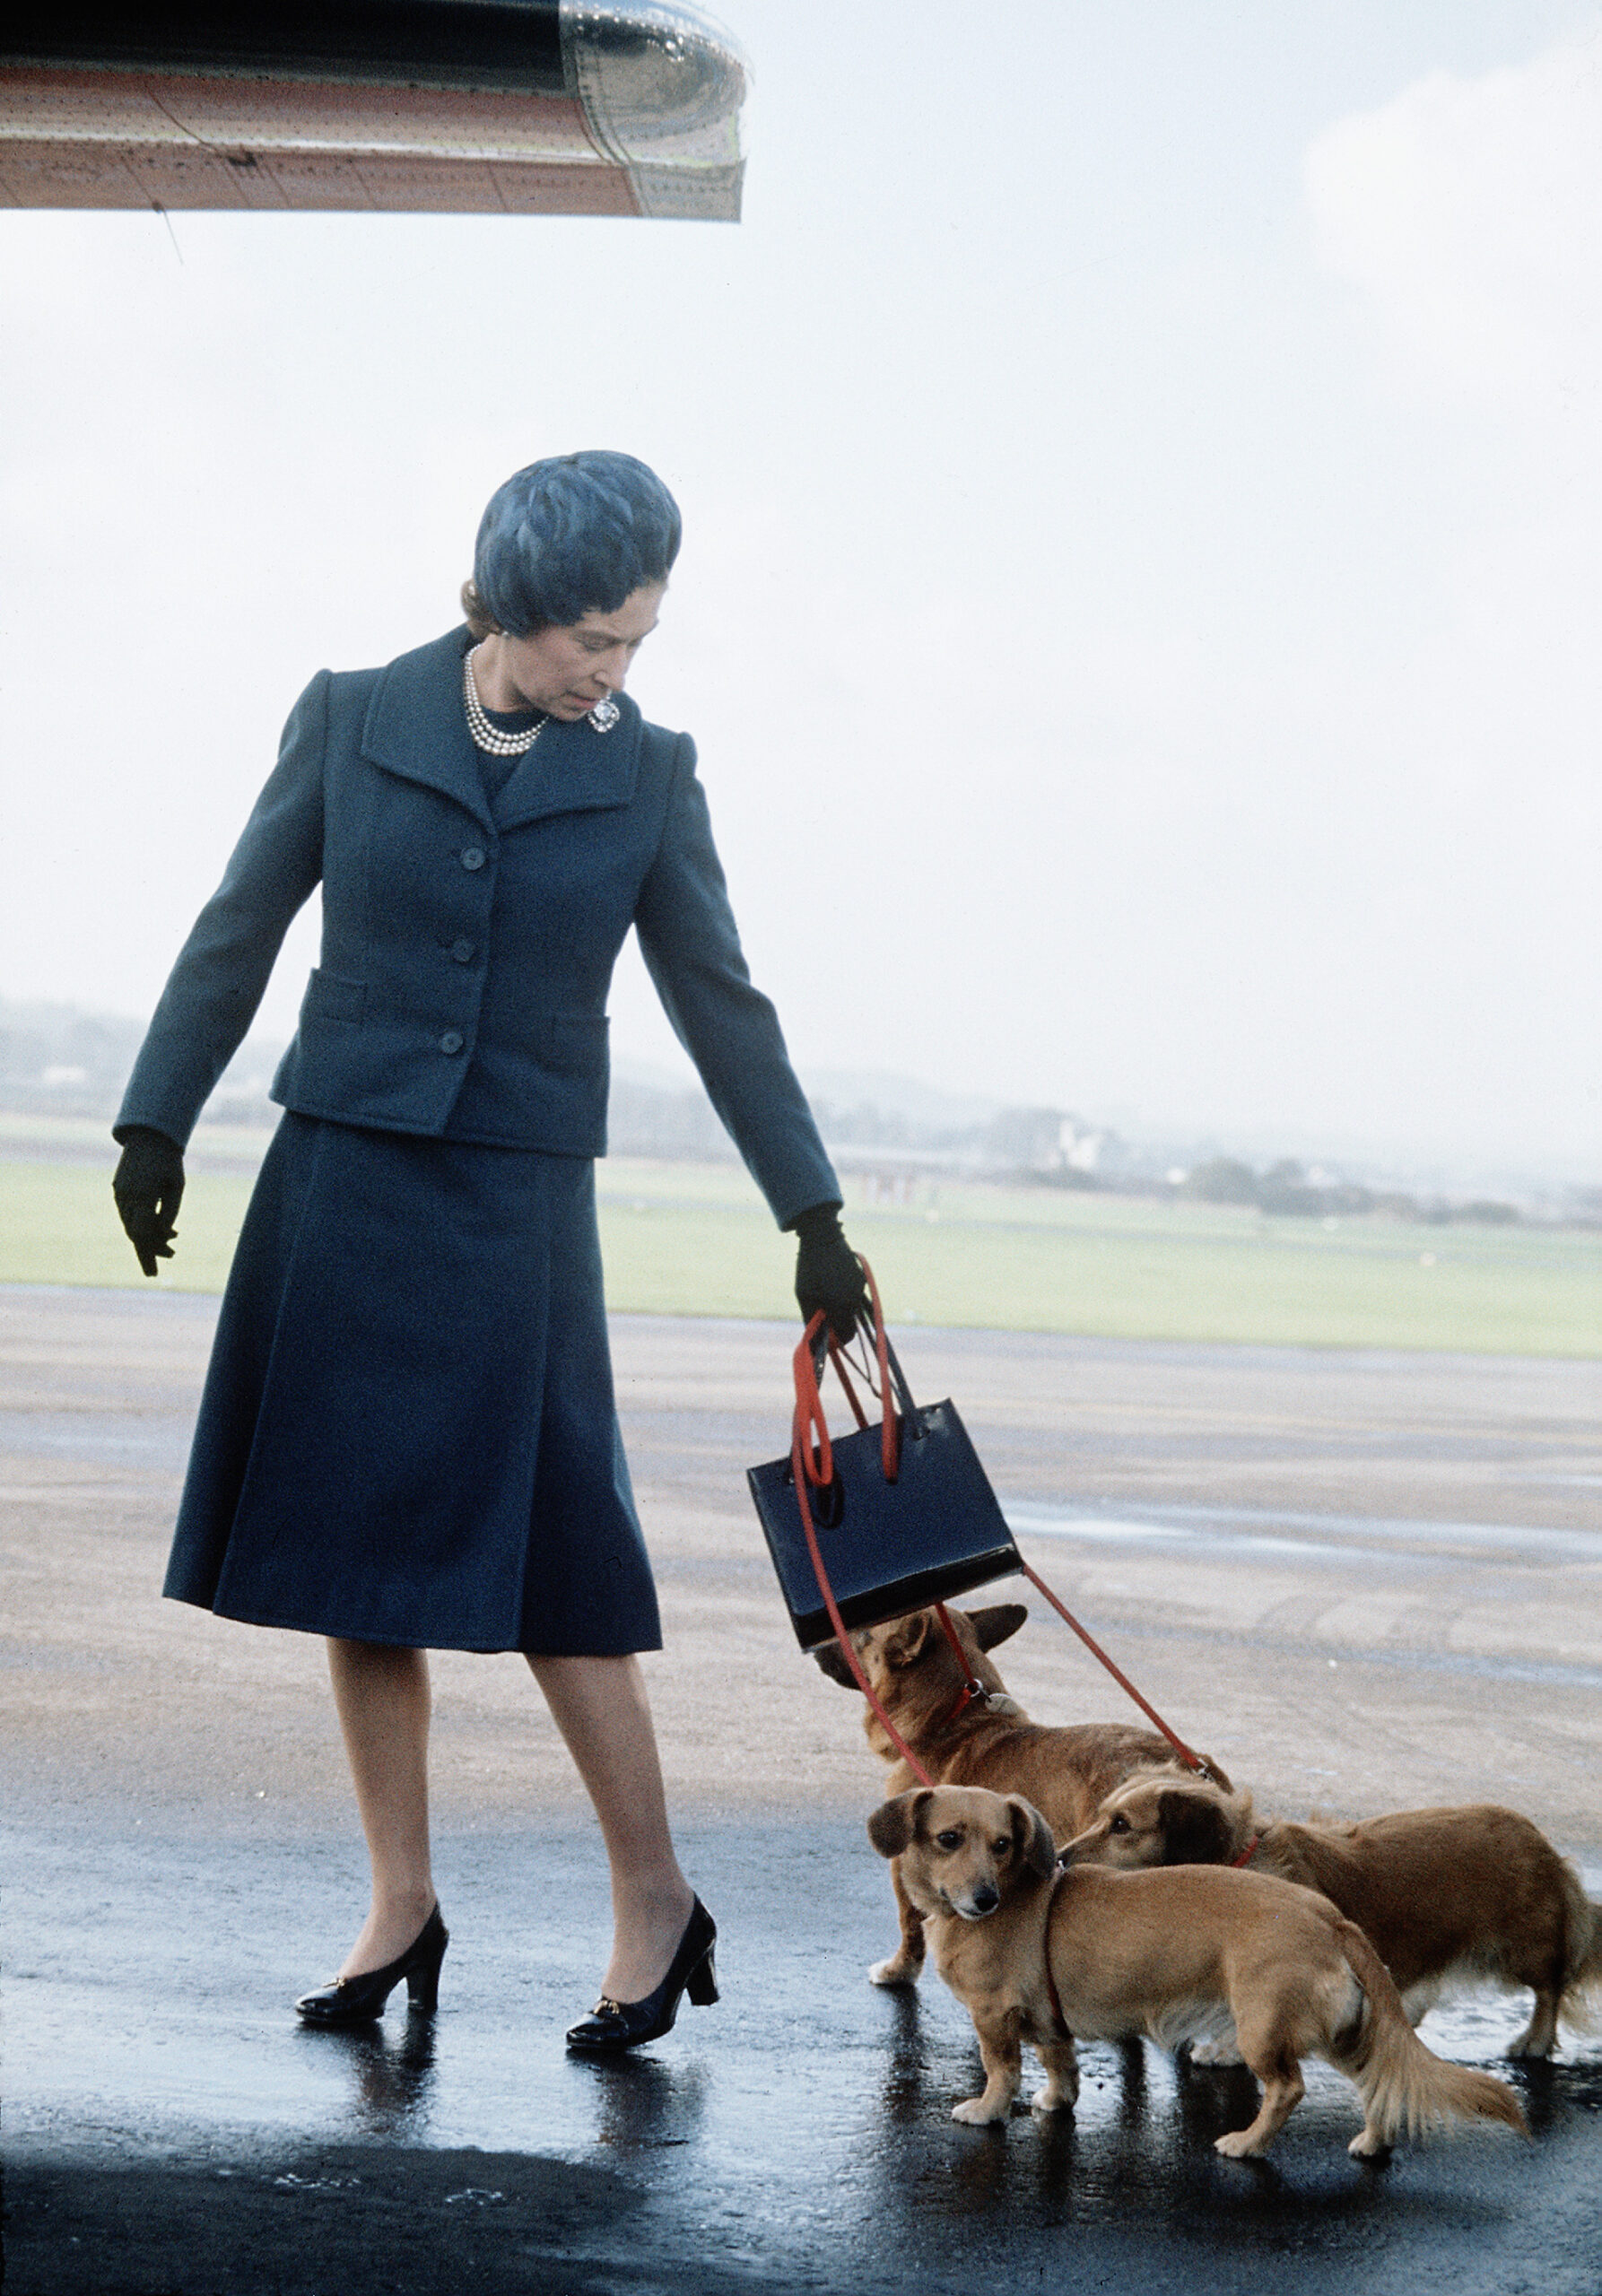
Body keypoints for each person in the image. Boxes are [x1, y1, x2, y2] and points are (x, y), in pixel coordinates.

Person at [111, 451, 868, 2051]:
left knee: (560, 1569)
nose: (615, 670)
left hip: (518, 1205)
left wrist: (811, 1212)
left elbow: (718, 998)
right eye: (593, 639)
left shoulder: (650, 773)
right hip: (344, 1175)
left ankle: (655, 1899)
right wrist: (152, 1119)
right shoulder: (348, 713)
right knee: (350, 1558)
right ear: (507, 605)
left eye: (636, 643)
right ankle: (401, 1906)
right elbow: (236, 923)